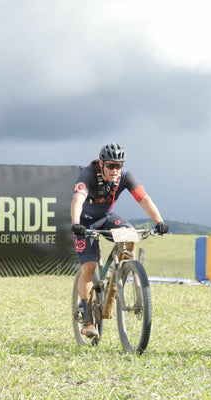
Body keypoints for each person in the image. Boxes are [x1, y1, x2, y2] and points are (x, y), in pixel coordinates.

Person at [70, 143, 169, 338]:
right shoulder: (88, 174)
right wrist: (75, 223)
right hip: (84, 222)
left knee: (130, 235)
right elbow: (77, 200)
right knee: (88, 268)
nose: (115, 170)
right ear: (101, 164)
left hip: (106, 217)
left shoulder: (126, 177)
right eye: (111, 166)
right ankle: (88, 320)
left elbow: (144, 199)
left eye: (119, 165)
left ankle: (120, 276)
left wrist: (159, 222)